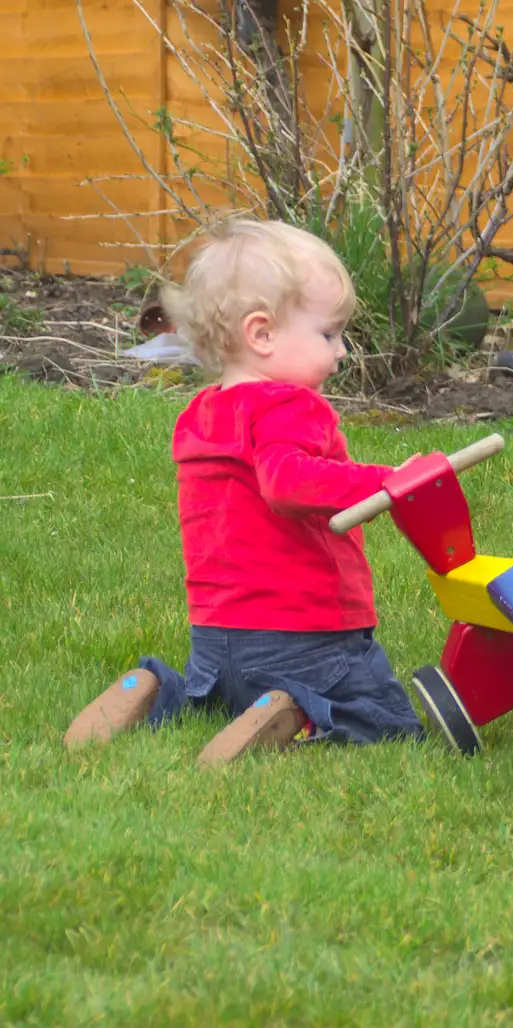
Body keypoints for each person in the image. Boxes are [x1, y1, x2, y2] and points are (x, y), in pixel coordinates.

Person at [63, 218, 424, 766]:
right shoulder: (289, 405)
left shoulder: (200, 416)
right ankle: (296, 710)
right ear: (262, 334)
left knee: (210, 700)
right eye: (329, 334)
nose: (343, 352)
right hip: (307, 636)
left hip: (216, 640)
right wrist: (386, 481)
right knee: (383, 714)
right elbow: (288, 481)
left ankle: (161, 689)